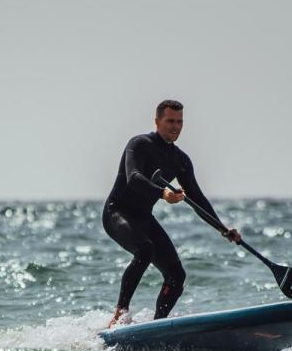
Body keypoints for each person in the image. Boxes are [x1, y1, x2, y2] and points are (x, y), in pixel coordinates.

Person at [103, 99, 241, 328]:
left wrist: (223, 229)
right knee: (145, 249)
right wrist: (163, 193)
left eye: (179, 122)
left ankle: (157, 328)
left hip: (144, 218)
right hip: (117, 213)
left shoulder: (181, 160)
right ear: (157, 121)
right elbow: (134, 177)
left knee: (177, 276)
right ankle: (120, 313)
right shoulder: (139, 144)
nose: (175, 126)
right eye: (170, 121)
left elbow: (197, 199)